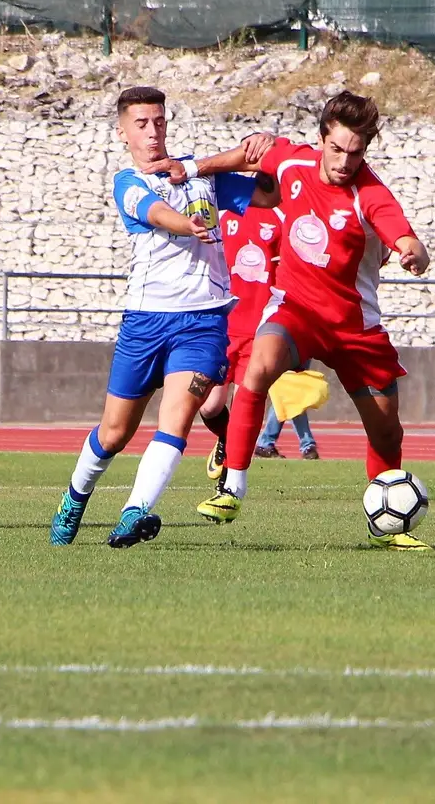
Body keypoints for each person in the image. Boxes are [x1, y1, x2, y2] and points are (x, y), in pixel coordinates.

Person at [178, 90, 432, 549]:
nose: (344, 161)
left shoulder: (369, 194)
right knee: (258, 366)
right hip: (296, 309)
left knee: (386, 430)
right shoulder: (293, 162)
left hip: (356, 326)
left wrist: (413, 253)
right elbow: (250, 155)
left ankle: (387, 527)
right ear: (321, 140)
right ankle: (232, 487)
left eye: (355, 153)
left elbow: (403, 234)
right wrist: (196, 168)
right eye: (336, 149)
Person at [49, 85, 271, 548]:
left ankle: (135, 512)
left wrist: (260, 151)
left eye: (159, 121)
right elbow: (156, 213)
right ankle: (74, 497)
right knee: (114, 432)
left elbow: (268, 194)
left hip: (203, 320)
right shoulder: (128, 182)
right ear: (123, 132)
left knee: (178, 419)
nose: (152, 131)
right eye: (141, 123)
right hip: (146, 321)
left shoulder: (201, 177)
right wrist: (188, 223)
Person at [198, 200, 320, 481]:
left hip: (260, 331)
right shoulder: (223, 212)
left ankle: (229, 485)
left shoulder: (285, 216)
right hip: (222, 327)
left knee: (245, 406)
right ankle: (226, 438)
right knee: (209, 406)